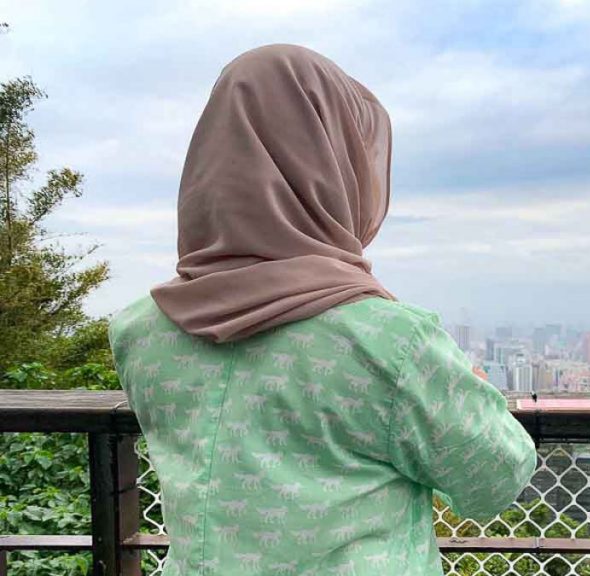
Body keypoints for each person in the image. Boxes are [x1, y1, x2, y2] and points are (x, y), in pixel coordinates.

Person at [108, 44, 537, 576]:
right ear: (341, 170)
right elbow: (494, 478)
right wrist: (465, 388)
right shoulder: (389, 340)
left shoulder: (140, 332)